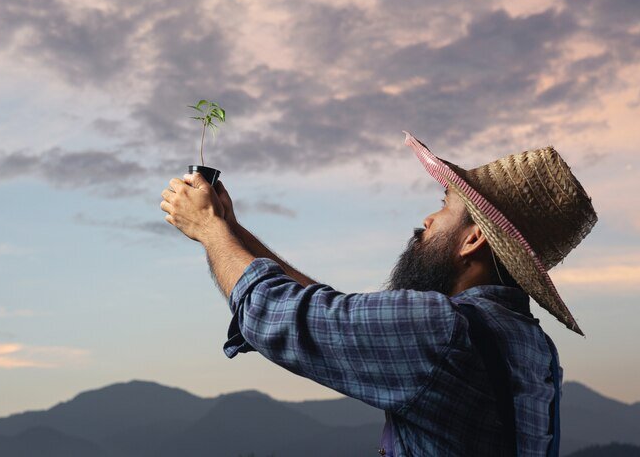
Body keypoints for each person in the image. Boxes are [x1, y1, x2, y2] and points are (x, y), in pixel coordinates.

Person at [160, 130, 597, 456]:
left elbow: (280, 315)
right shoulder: (531, 344)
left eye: (445, 205)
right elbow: (331, 310)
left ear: (473, 240)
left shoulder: (442, 329)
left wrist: (210, 231)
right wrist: (233, 231)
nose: (428, 220)